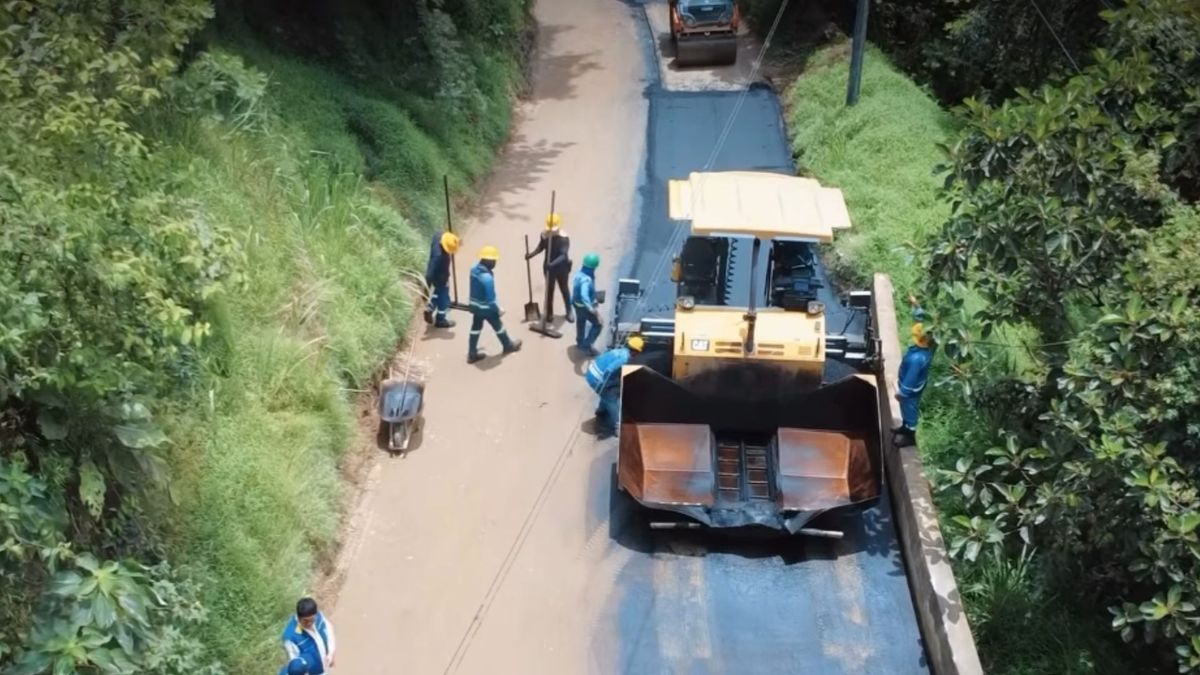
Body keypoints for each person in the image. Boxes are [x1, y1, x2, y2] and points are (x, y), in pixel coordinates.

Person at [468, 245, 522, 363]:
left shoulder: (473, 270)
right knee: (498, 325)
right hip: (486, 308)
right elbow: (491, 300)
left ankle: (472, 353)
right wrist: (498, 309)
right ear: (489, 261)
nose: (495, 263)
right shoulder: (487, 278)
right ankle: (508, 345)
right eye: (494, 260)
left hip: (474, 305)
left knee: (476, 327)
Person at [585, 335, 646, 437]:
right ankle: (618, 426)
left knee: (605, 393)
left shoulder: (620, 351)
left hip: (591, 372)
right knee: (612, 399)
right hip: (597, 379)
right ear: (635, 351)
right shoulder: (624, 358)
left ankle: (601, 410)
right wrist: (607, 383)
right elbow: (609, 369)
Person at [525, 211, 573, 323]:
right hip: (548, 267)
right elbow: (541, 246)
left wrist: (552, 264)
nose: (552, 230)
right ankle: (549, 313)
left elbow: (563, 255)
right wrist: (531, 254)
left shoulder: (564, 238)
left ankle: (569, 311)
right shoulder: (544, 234)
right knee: (549, 291)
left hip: (561, 267)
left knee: (564, 289)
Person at [893, 321, 933, 444]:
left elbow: (911, 378)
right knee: (905, 409)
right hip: (914, 387)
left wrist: (902, 392)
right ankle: (904, 427)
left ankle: (909, 435)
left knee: (909, 410)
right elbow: (923, 321)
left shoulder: (917, 359)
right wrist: (916, 307)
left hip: (910, 391)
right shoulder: (925, 352)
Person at [282, 598, 335, 674]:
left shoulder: (318, 617)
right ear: (298, 617)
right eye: (305, 621)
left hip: (324, 668)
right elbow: (296, 665)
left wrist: (331, 652)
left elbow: (329, 632)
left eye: (312, 620)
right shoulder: (290, 637)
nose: (310, 623)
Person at [423, 230, 460, 328]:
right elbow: (429, 274)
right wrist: (425, 289)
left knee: (438, 292)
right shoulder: (438, 256)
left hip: (439, 274)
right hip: (440, 276)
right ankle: (441, 319)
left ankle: (430, 308)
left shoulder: (438, 235)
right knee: (443, 296)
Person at [571, 252, 603, 354]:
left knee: (581, 322)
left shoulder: (578, 274)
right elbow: (584, 295)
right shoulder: (586, 280)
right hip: (584, 307)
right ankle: (587, 345)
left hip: (576, 304)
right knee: (598, 324)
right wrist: (591, 308)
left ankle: (580, 342)